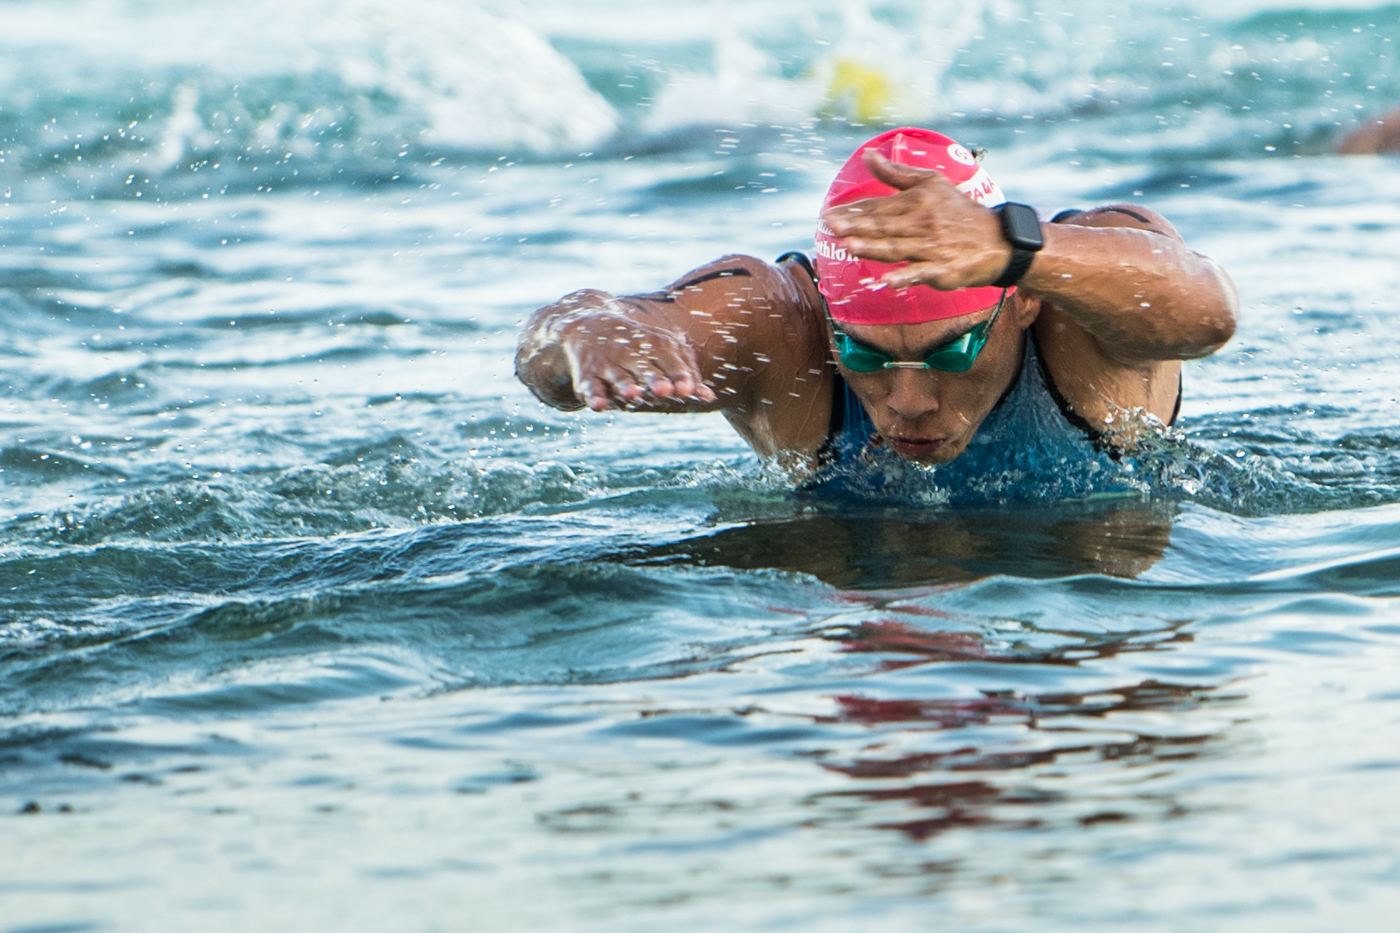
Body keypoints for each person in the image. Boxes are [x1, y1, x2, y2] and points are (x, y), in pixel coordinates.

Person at [515, 127, 1238, 487]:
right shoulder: (784, 329)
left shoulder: (1078, 305)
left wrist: (1019, 250)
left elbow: (1209, 311)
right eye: (864, 355)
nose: (909, 400)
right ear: (829, 321)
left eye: (951, 350)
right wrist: (589, 332)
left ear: (1018, 305)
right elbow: (561, 345)